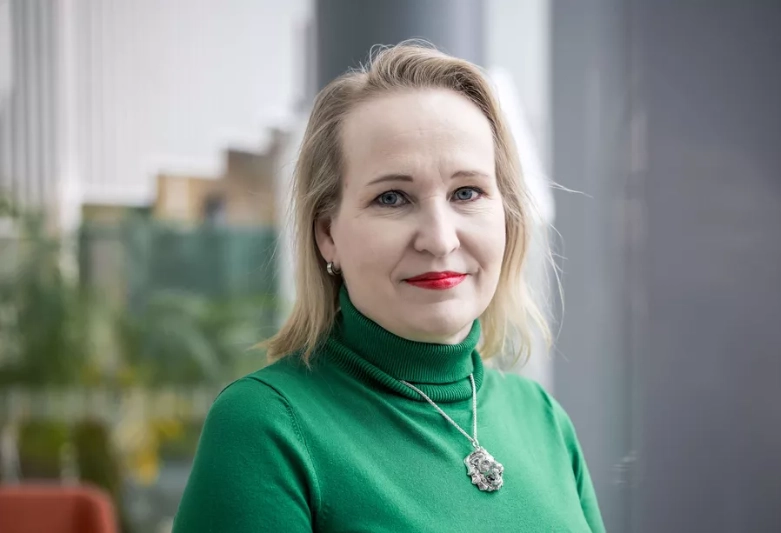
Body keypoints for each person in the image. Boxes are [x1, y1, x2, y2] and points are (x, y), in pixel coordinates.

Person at [172, 43, 605, 532]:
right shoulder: (266, 429)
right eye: (393, 198)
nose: (440, 239)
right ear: (327, 234)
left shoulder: (543, 418)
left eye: (467, 192)